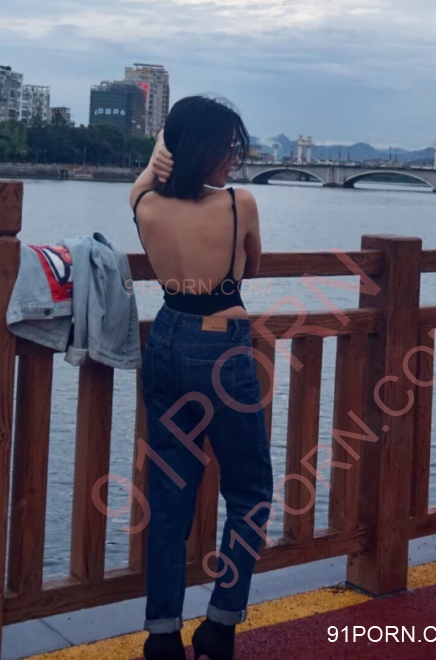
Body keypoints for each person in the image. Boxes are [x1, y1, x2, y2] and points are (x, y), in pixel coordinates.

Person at [129, 95, 273, 660]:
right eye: (228, 147)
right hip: (221, 345)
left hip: (166, 339)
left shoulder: (145, 205)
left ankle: (162, 634)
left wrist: (155, 159)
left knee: (170, 494)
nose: (233, 157)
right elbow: (250, 267)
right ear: (204, 149)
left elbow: (141, 185)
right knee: (250, 490)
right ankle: (220, 623)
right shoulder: (239, 204)